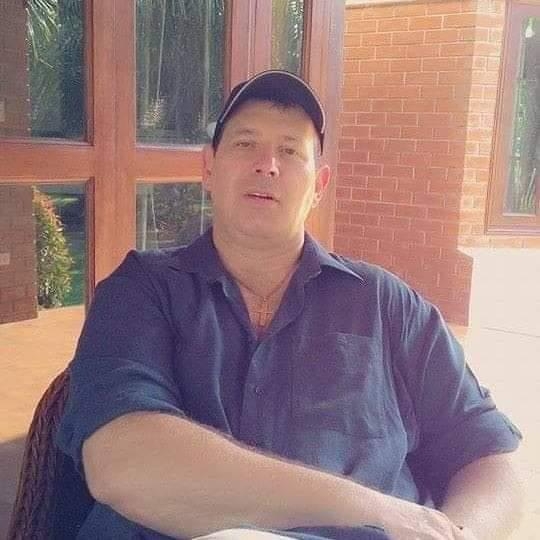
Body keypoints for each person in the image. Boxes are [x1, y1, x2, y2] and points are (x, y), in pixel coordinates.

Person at [56, 70, 523, 540]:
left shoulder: (389, 306)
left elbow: (489, 455)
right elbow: (123, 460)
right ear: (209, 169)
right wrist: (379, 513)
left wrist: (458, 534)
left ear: (319, 185)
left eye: (290, 151)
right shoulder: (141, 291)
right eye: (245, 144)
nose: (267, 165)